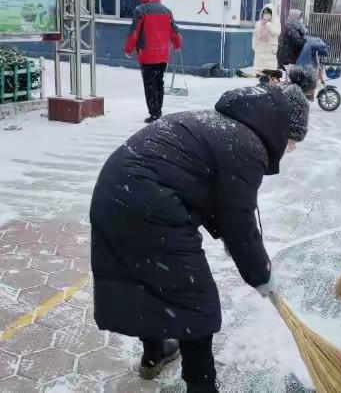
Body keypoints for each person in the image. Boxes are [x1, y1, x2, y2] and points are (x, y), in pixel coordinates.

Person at [90, 83, 310, 392]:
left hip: (115, 193)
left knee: (149, 279)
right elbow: (239, 223)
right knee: (196, 302)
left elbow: (210, 196)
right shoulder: (247, 146)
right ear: (282, 127)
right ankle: (201, 386)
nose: (290, 148)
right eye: (292, 140)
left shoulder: (223, 125)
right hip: (149, 206)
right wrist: (262, 275)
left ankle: (155, 353)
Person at [125, 0, 182, 123]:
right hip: (162, 55)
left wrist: (129, 49)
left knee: (149, 84)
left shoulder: (140, 10)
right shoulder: (167, 11)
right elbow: (175, 31)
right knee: (159, 83)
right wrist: (177, 44)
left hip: (147, 55)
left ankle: (154, 113)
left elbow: (134, 32)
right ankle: (158, 110)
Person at [252, 4, 281, 72]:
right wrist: (254, 46)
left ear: (272, 14)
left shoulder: (275, 22)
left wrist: (268, 25)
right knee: (259, 72)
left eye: (268, 13)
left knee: (269, 72)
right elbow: (255, 36)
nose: (266, 15)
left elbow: (277, 33)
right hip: (260, 51)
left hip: (270, 52)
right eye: (265, 13)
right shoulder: (258, 23)